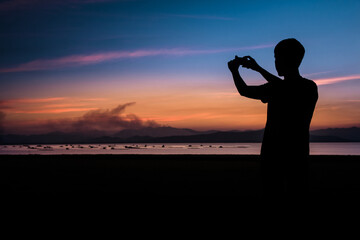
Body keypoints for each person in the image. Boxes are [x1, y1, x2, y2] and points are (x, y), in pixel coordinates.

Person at [228, 38, 318, 199]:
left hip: (273, 155)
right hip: (299, 153)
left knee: (273, 194)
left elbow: (244, 90)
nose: (275, 62)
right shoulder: (309, 87)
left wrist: (234, 71)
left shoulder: (277, 88)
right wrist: (258, 69)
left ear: (286, 59)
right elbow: (286, 87)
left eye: (277, 57)